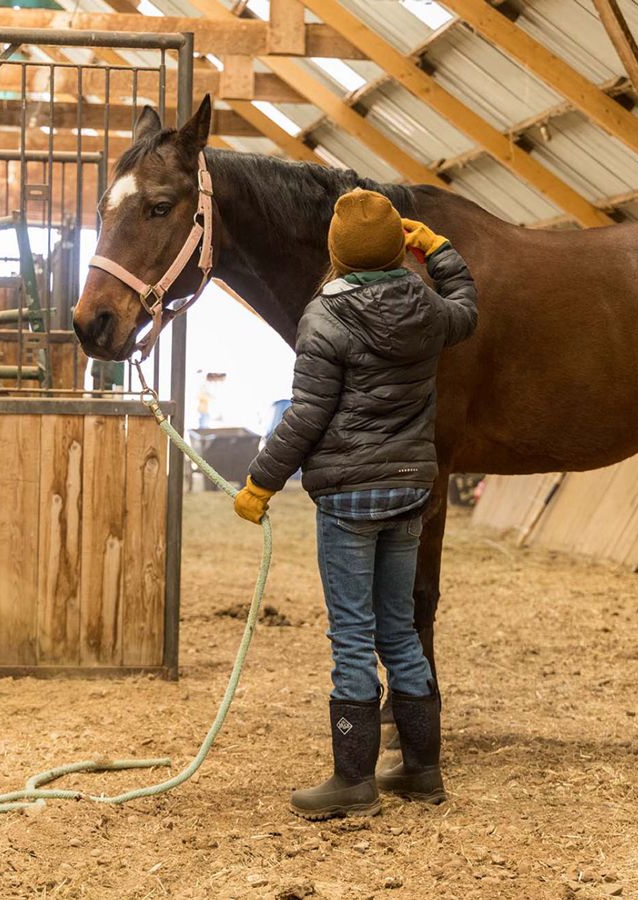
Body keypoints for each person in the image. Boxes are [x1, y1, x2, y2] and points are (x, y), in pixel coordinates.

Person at [234, 189, 477, 820]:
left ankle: (353, 781)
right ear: (402, 245)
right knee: (399, 630)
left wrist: (261, 482)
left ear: (334, 251)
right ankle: (422, 772)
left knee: (351, 634)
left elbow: (308, 414)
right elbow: (467, 310)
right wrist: (440, 248)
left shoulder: (323, 317)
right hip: (409, 492)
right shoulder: (426, 307)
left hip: (347, 500)